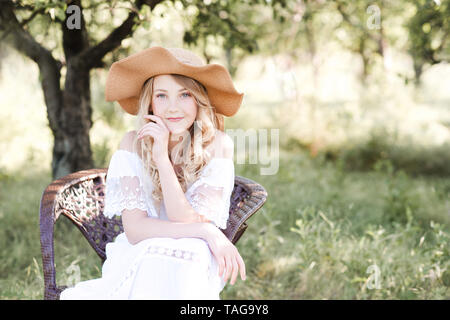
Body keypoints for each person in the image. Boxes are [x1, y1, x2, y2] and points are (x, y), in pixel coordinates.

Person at [59, 46, 246, 300]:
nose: (172, 108)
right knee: (158, 258)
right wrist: (206, 231)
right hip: (141, 249)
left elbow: (185, 217)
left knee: (192, 255)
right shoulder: (132, 144)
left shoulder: (218, 144)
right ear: (149, 102)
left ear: (199, 99)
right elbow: (135, 230)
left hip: (194, 253)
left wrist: (203, 231)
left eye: (184, 95)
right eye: (161, 96)